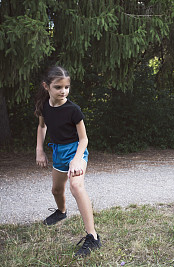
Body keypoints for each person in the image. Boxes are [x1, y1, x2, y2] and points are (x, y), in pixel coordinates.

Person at [35, 66, 101, 257]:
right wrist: (40, 150)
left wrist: (76, 160)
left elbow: (84, 139)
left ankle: (93, 237)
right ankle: (62, 212)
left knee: (76, 187)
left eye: (66, 87)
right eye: (58, 87)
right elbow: (42, 127)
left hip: (76, 151)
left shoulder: (73, 110)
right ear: (46, 86)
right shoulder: (43, 106)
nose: (63, 91)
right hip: (58, 152)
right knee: (56, 190)